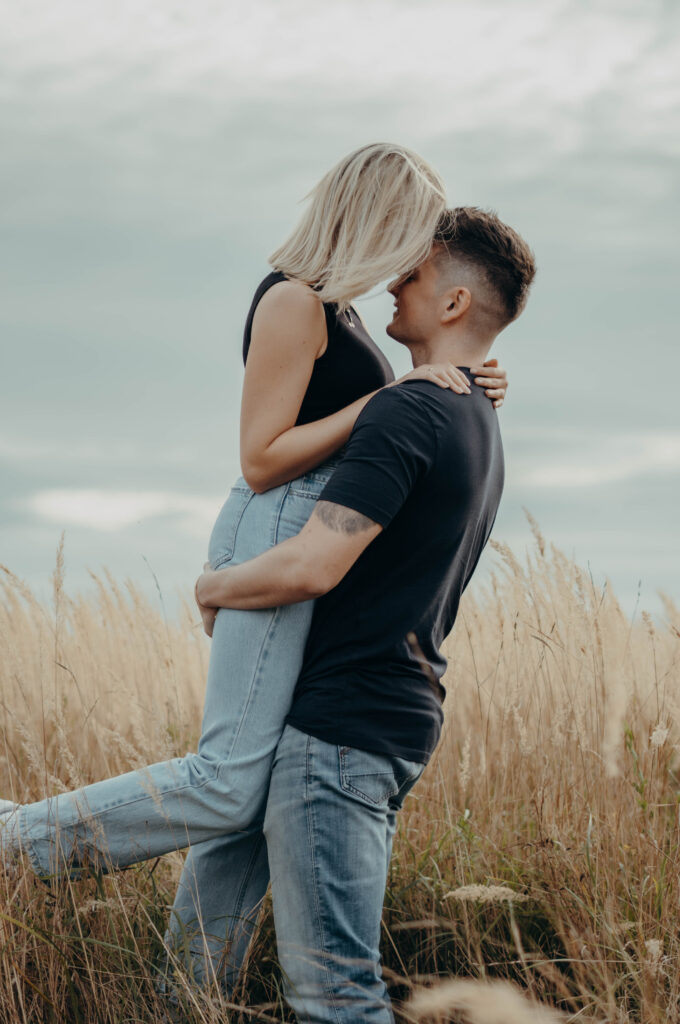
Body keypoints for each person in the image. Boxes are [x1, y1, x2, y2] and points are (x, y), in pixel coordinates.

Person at [0, 146, 509, 990]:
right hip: (274, 519)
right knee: (230, 782)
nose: (414, 258)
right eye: (411, 232)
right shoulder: (293, 300)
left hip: (302, 522)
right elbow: (261, 455)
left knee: (252, 784)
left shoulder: (341, 313)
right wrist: (389, 398)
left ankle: (186, 994)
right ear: (373, 219)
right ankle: (17, 841)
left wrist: (453, 378)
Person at [196, 205, 537, 1023]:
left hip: (340, 731)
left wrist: (215, 587)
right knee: (197, 968)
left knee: (335, 996)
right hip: (386, 717)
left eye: (413, 273)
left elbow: (313, 564)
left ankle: (24, 840)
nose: (393, 279)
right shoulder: (476, 418)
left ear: (453, 304)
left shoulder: (409, 409)